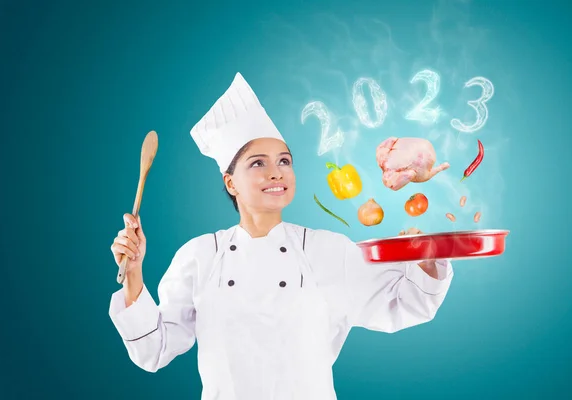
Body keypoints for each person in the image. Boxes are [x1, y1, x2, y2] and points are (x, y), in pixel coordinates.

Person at [109, 72, 454, 400]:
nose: (276, 172)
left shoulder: (326, 250)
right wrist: (134, 274)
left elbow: (407, 303)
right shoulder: (199, 257)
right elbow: (154, 350)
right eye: (258, 163)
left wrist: (427, 259)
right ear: (230, 182)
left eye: (285, 161)